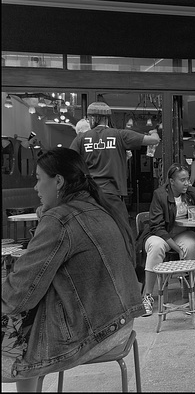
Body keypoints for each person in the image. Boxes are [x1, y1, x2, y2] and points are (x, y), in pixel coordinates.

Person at [2, 148, 143, 391]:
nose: (36, 187)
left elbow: (20, 292)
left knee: (14, 330)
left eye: (38, 178)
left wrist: (47, 219)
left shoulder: (60, 219)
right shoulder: (98, 207)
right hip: (120, 321)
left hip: (97, 331)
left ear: (58, 180)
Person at [136, 163, 195, 317]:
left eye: (187, 179)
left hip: (183, 231)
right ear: (171, 181)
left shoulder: (191, 192)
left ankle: (190, 293)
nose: (187, 183)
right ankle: (148, 296)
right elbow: (157, 227)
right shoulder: (160, 195)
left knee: (191, 245)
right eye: (182, 180)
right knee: (156, 247)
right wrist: (176, 248)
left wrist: (194, 213)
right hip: (161, 234)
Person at [69, 101, 160, 220]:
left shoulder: (81, 139)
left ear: (92, 119)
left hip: (89, 195)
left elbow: (68, 162)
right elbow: (154, 140)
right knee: (122, 232)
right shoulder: (119, 135)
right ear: (107, 118)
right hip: (112, 196)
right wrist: (154, 132)